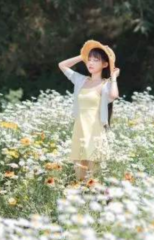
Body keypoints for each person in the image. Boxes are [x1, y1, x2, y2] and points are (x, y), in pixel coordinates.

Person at [58, 40, 120, 184]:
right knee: (79, 173)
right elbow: (62, 65)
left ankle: (94, 201)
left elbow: (114, 95)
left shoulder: (106, 84)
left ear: (104, 64)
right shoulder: (81, 80)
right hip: (80, 129)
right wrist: (82, 55)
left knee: (94, 175)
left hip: (95, 131)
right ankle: (80, 200)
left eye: (95, 60)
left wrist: (114, 77)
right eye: (89, 60)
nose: (90, 63)